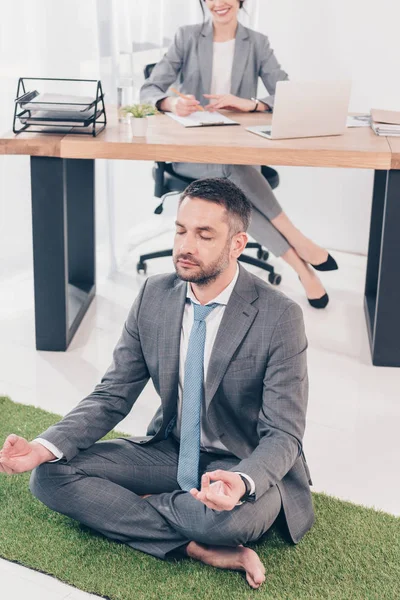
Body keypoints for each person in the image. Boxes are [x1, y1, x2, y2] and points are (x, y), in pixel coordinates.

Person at [0, 178, 314, 590]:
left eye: (205, 234)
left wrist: (240, 481)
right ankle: (193, 544)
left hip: (242, 463)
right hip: (173, 452)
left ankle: (145, 510)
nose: (186, 245)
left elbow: (283, 434)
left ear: (238, 244)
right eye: (181, 230)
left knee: (229, 520)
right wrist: (43, 447)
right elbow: (113, 394)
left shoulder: (279, 317)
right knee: (49, 476)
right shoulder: (154, 294)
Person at [140, 0, 338, 309]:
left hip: (237, 153)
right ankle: (300, 252)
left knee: (234, 170)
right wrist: (170, 103)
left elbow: (288, 93)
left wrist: (254, 104)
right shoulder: (187, 36)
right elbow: (150, 89)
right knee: (234, 171)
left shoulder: (256, 42)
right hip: (191, 154)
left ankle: (302, 266)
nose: (219, 3)